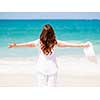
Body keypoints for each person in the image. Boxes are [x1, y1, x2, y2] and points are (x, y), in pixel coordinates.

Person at [8, 24, 89, 87]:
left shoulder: (39, 42)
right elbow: (68, 44)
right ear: (52, 33)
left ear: (42, 33)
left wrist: (16, 45)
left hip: (41, 68)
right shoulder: (54, 42)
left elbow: (28, 44)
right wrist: (81, 45)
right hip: (52, 69)